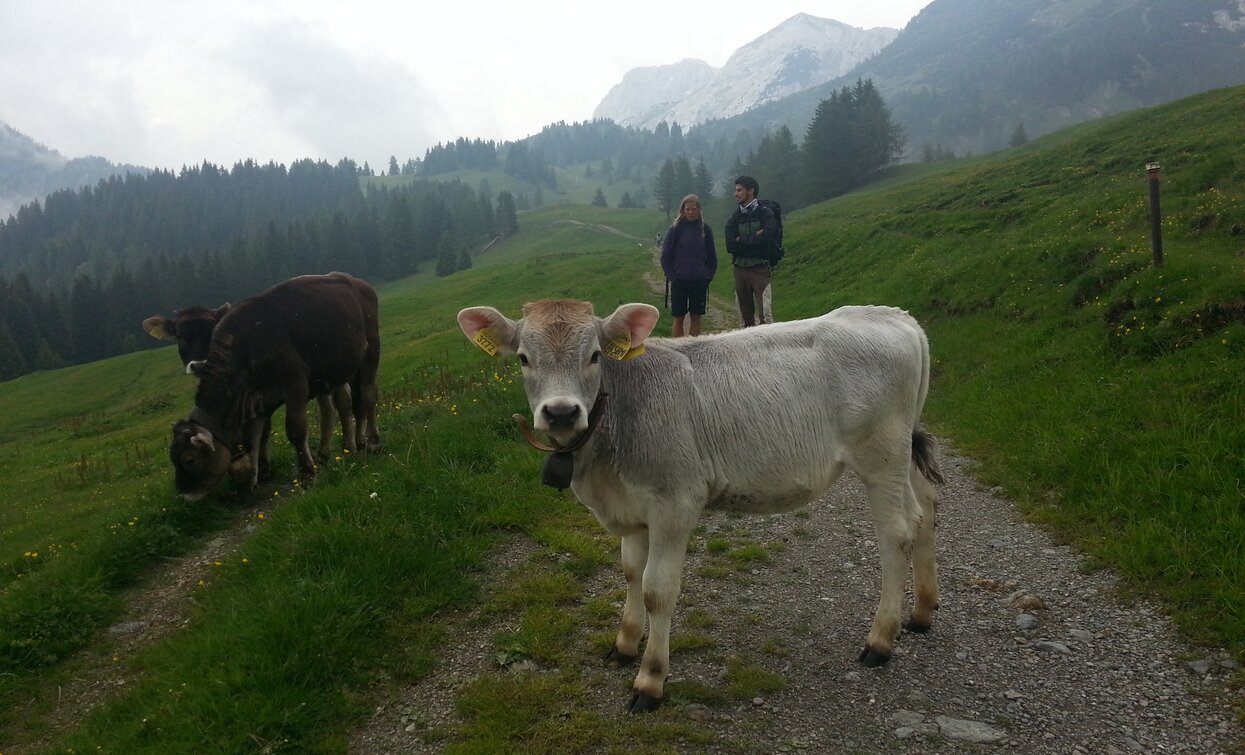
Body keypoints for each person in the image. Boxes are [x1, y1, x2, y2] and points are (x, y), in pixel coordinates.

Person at [660, 194, 717, 337]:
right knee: (678, 318)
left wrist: (707, 276)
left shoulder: (705, 229)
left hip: (699, 281)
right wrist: (672, 277)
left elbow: (712, 257)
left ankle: (693, 349)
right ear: (682, 211)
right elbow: (665, 257)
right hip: (679, 280)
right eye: (688, 209)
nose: (691, 212)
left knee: (696, 317)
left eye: (693, 209)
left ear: (699, 210)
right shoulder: (675, 229)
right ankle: (678, 349)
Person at [724, 175, 778, 327]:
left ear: (751, 190)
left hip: (760, 268)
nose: (736, 194)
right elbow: (730, 246)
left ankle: (769, 348)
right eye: (736, 190)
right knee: (744, 318)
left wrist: (742, 240)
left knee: (766, 317)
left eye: (739, 190)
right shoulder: (733, 218)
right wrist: (755, 236)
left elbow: (767, 239)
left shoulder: (766, 213)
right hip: (740, 270)